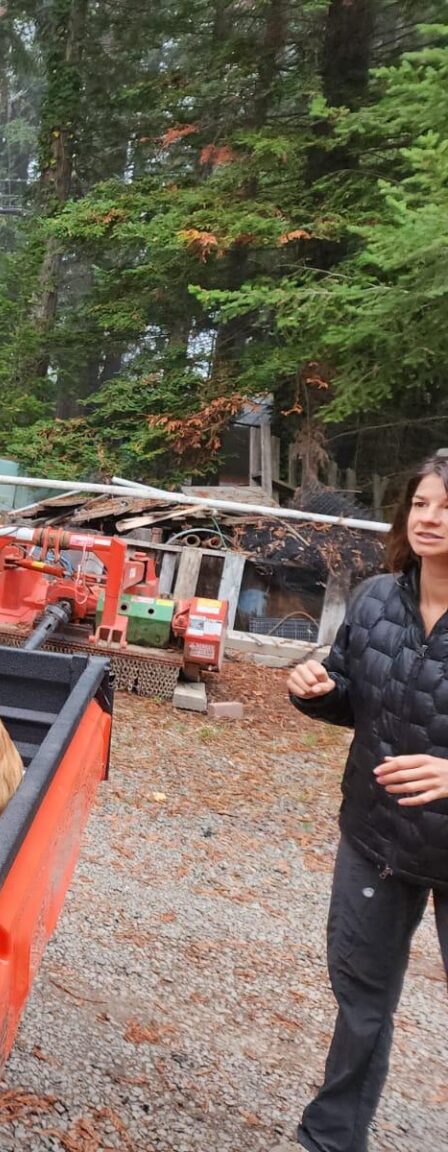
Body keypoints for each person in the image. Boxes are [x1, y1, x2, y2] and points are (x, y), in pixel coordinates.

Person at [286, 454, 448, 1152]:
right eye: (421, 504)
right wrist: (314, 692)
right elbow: (353, 694)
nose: (431, 519)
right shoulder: (379, 597)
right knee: (361, 1004)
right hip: (376, 838)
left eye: (447, 507)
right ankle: (330, 1139)